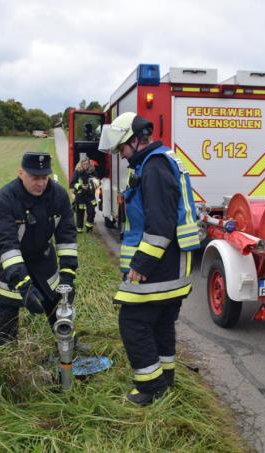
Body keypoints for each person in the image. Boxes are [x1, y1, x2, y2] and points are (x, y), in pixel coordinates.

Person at [98, 112, 201, 405]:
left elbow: (160, 226)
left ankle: (150, 386)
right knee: (161, 323)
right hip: (171, 265)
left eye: (122, 147)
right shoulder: (157, 161)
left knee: (132, 322)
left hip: (158, 266)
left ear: (135, 140)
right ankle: (165, 379)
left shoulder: (154, 168)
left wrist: (141, 266)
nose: (120, 154)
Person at [0, 151, 80, 346]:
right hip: (9, 265)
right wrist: (23, 285)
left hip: (42, 258)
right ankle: (6, 359)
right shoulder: (4, 200)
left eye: (44, 177)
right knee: (7, 314)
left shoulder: (58, 196)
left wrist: (68, 275)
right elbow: (6, 245)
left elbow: (66, 237)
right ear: (21, 173)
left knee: (58, 305)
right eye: (34, 177)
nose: (40, 183)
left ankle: (68, 346)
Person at [70, 159, 98, 232]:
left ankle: (89, 227)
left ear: (89, 164)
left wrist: (93, 185)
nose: (85, 165)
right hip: (80, 196)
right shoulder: (77, 172)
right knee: (80, 213)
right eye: (83, 164)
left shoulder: (92, 172)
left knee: (91, 212)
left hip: (90, 196)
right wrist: (80, 186)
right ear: (81, 164)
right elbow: (72, 183)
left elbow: (98, 181)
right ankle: (79, 229)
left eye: (86, 164)